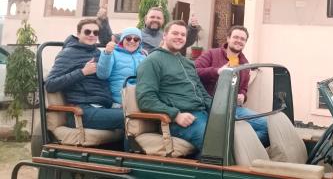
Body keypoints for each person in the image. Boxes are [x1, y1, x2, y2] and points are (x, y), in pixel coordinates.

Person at [136, 20, 212, 154]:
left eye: (183, 35)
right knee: (215, 141)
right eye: (175, 33)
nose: (179, 37)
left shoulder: (188, 63)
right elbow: (146, 99)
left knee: (244, 128)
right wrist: (175, 115)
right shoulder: (152, 61)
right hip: (178, 120)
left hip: (203, 113)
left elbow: (202, 92)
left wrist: (219, 111)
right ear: (164, 36)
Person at [195, 25, 268, 145]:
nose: (239, 41)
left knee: (267, 127)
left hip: (234, 107)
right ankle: (230, 149)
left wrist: (243, 96)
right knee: (265, 125)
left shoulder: (245, 64)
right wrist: (217, 71)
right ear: (228, 38)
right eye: (236, 37)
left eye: (242, 39)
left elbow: (244, 88)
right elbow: (194, 71)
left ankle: (235, 148)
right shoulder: (211, 54)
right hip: (212, 106)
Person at [45, 18, 124, 130]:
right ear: (78, 34)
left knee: (136, 114)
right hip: (82, 110)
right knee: (129, 118)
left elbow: (125, 40)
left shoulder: (98, 53)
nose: (92, 35)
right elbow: (50, 84)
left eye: (95, 32)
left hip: (103, 107)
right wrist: (82, 72)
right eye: (87, 32)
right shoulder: (68, 54)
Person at [97, 6, 200, 54]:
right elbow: (107, 40)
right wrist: (103, 21)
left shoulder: (166, 36)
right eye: (152, 17)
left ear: (163, 21)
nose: (155, 20)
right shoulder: (134, 35)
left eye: (158, 18)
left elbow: (185, 42)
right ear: (146, 19)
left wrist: (193, 28)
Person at [96, 27, 145, 106]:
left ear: (139, 42)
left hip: (140, 100)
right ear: (122, 40)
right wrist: (107, 53)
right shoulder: (113, 53)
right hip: (119, 101)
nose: (132, 41)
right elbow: (102, 75)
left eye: (136, 39)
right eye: (128, 38)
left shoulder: (143, 56)